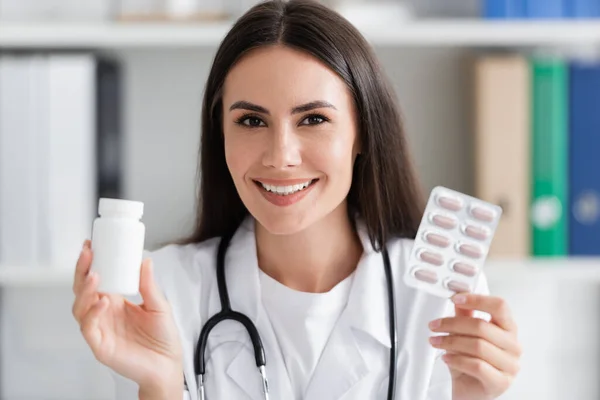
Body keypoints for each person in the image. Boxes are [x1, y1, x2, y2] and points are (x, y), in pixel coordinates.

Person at [71, 1, 522, 399]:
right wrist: (159, 387)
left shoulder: (437, 294)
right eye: (251, 120)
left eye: (313, 119)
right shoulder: (164, 291)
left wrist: (473, 398)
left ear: (362, 131)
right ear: (220, 134)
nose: (280, 156)